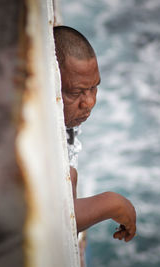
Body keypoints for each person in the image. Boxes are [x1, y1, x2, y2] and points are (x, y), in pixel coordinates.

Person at [54, 26, 137, 242]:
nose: (89, 102)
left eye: (94, 88)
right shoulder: (44, 143)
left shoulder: (66, 119)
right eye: (76, 92)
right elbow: (58, 222)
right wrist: (112, 203)